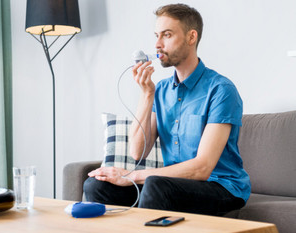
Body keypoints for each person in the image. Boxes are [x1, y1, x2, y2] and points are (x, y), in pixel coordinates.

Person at [84, 3, 251, 216]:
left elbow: (202, 168)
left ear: (191, 37)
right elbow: (137, 152)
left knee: (156, 185)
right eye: (156, 35)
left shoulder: (221, 90)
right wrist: (146, 95)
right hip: (171, 185)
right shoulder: (161, 90)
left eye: (167, 35)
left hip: (221, 187)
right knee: (95, 186)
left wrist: (130, 176)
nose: (157, 44)